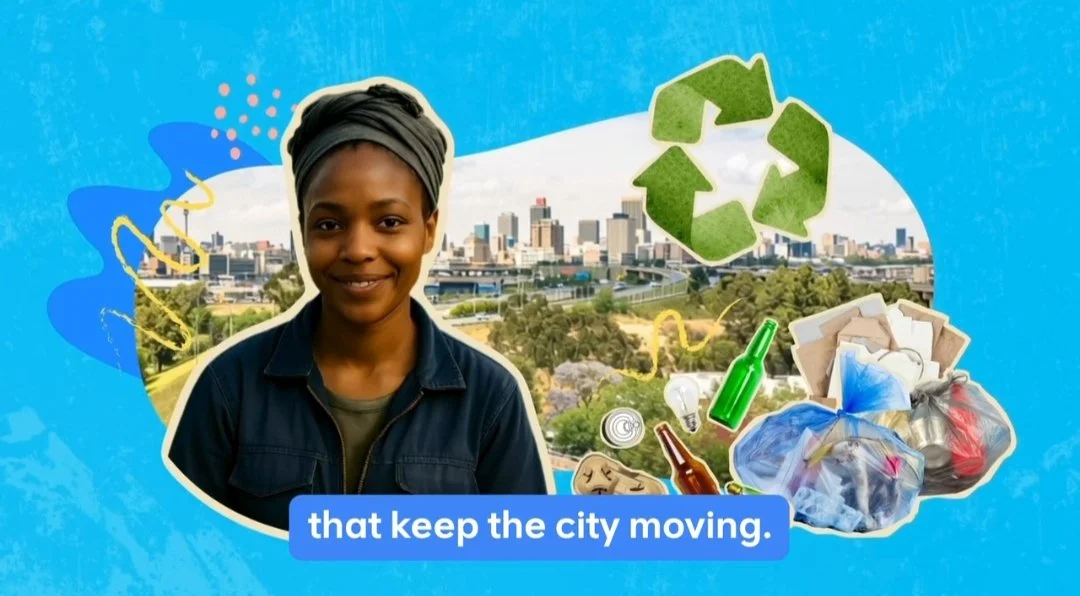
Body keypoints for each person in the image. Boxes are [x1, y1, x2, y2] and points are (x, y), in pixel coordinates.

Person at [166, 82, 550, 532]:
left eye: (389, 222)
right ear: (303, 233)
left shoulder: (489, 399)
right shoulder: (229, 389)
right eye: (329, 224)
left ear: (428, 231)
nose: (358, 249)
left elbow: (527, 568)